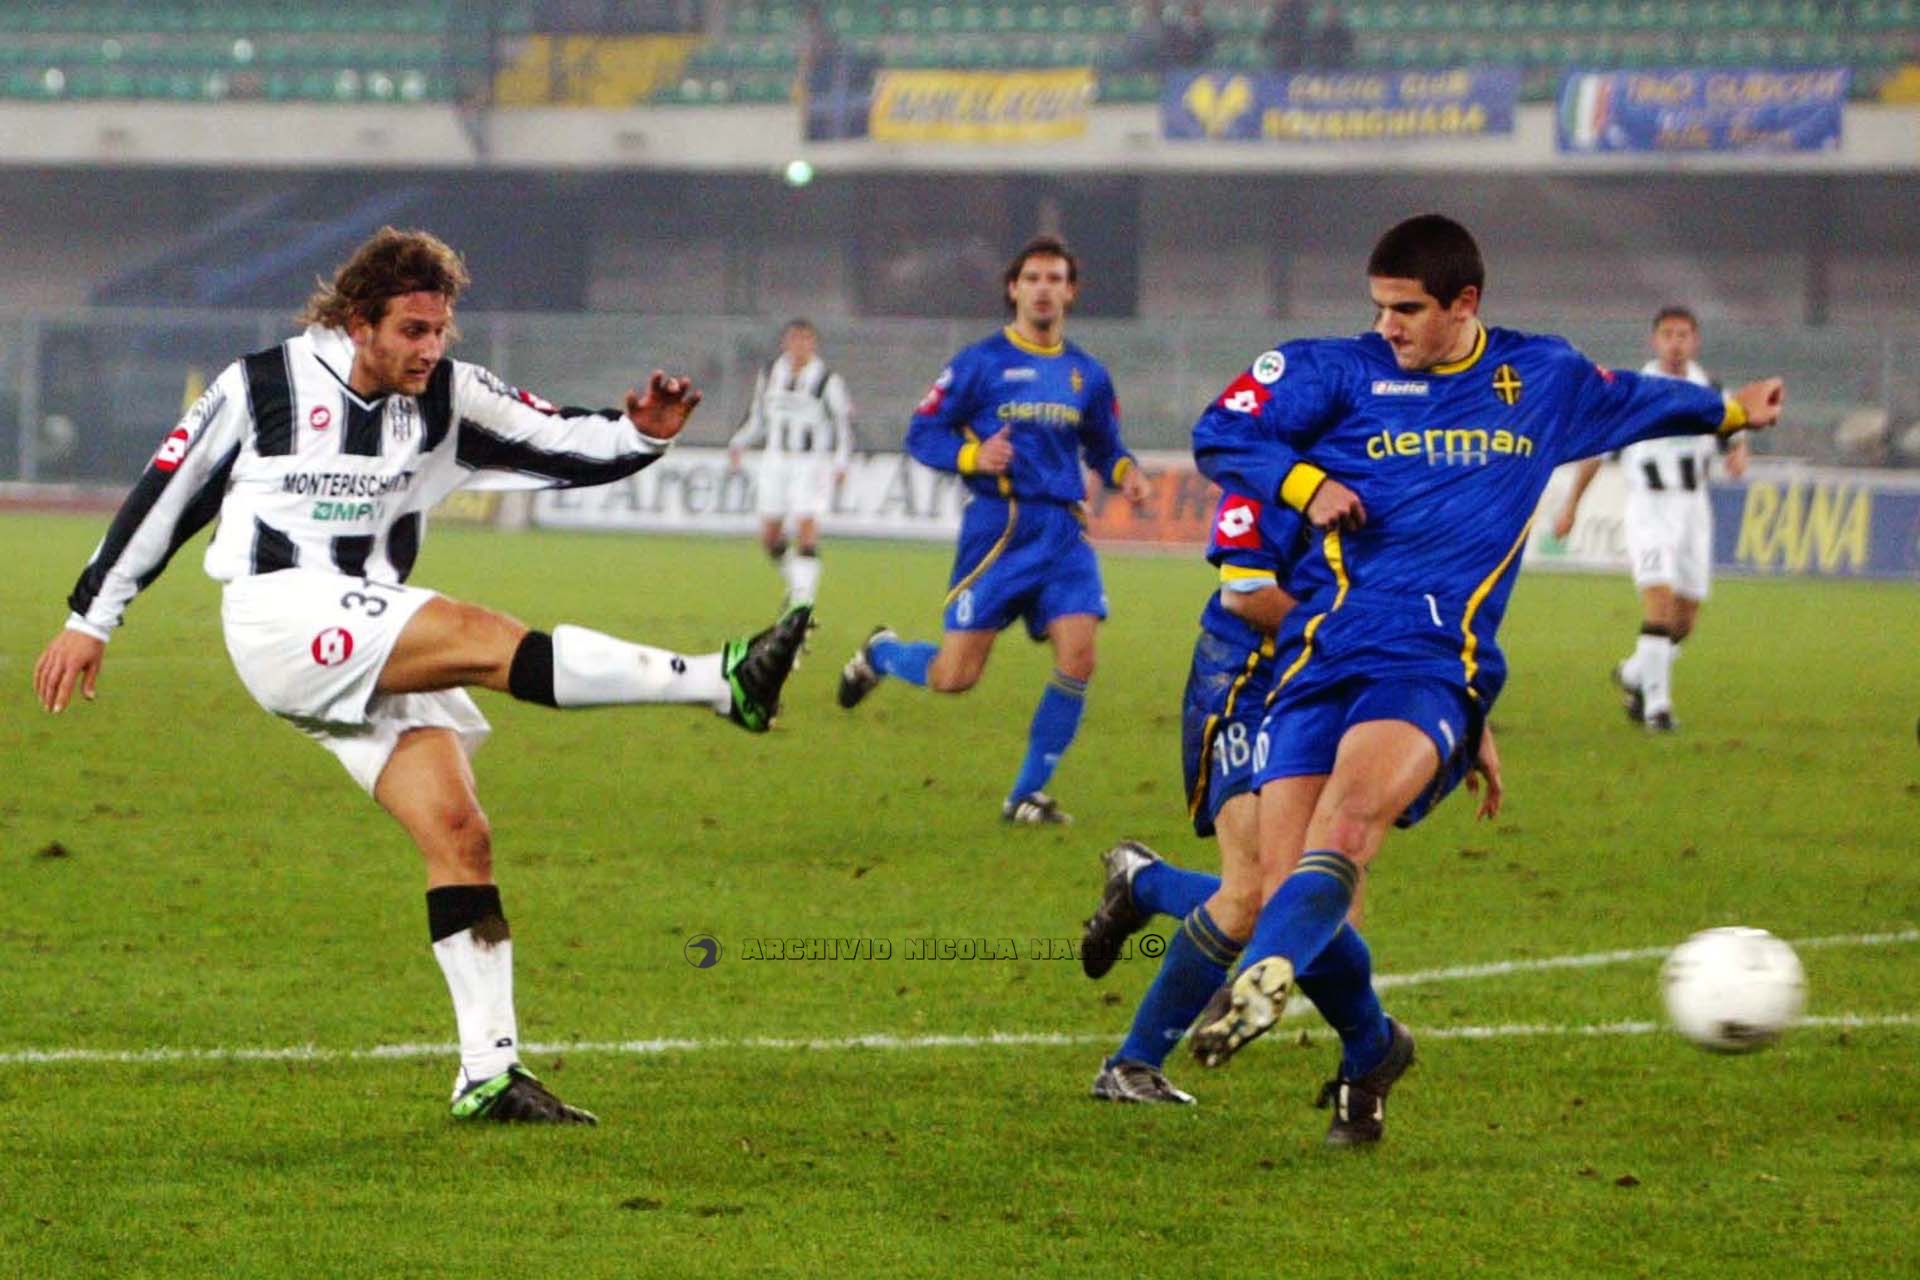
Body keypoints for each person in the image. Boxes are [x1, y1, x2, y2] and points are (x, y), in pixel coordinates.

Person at [31, 227, 811, 1126]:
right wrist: (91, 618)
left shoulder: (445, 394)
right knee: (480, 636)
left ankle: (489, 1074)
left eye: (440, 330)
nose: (430, 348)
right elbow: (165, 493)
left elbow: (555, 437)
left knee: (460, 832)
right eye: (412, 330)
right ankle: (721, 682)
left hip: (370, 628)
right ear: (357, 322)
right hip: (280, 616)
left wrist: (641, 434)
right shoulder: (262, 386)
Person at [1178, 213, 1782, 1142]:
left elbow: (1636, 401)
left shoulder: (1538, 378)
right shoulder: (1328, 371)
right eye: (1379, 307)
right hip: (1317, 653)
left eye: (1408, 310)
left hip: (1432, 660)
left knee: (1349, 832)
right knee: (1297, 896)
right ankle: (1373, 1047)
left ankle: (1264, 981)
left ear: (1465, 304)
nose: (1387, 326)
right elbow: (1220, 431)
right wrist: (1305, 486)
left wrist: (1732, 411)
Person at [1079, 487, 1502, 1121]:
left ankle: (1147, 885)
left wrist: (1459, 704)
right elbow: (1245, 594)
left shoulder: (1388, 464)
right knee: (1255, 893)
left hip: (1352, 682)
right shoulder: (1274, 464)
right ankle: (1133, 1063)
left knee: (1329, 902)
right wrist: (1351, 638)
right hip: (1251, 680)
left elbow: (1422, 608)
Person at [835, 235, 1153, 825]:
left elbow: (1104, 446)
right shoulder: (978, 364)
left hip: (1064, 531)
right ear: (1013, 289)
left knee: (1080, 657)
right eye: (1032, 278)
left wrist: (1125, 472)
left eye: (1054, 279)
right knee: (954, 677)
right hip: (1000, 531)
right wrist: (972, 457)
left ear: (1071, 292)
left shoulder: (1087, 374)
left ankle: (1025, 795)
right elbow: (922, 433)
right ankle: (882, 653)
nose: (1043, 289)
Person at [1551, 306, 1749, 731]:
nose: (1675, 343)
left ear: (1695, 341)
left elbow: (1734, 434)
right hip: (1650, 507)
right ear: (1654, 341)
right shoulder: (1631, 392)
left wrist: (1738, 453)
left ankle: (1635, 672)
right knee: (1659, 601)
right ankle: (1657, 707)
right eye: (1668, 334)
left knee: (1685, 620)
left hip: (1694, 509)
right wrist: (1571, 506)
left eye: (1683, 335)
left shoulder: (1712, 390)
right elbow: (1595, 453)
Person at [727, 318, 855, 609]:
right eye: (794, 339)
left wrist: (842, 463)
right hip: (774, 460)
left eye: (805, 339)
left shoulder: (827, 380)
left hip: (810, 463)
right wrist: (739, 442)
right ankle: (798, 586)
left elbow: (843, 426)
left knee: (805, 525)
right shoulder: (771, 374)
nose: (799, 345)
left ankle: (802, 603)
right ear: (785, 342)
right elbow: (758, 418)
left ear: (813, 343)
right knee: (770, 537)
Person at [1259, 0, 1313, 70]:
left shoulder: (1299, 10)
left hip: (1297, 55)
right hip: (1283, 57)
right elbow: (1269, 35)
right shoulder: (1279, 12)